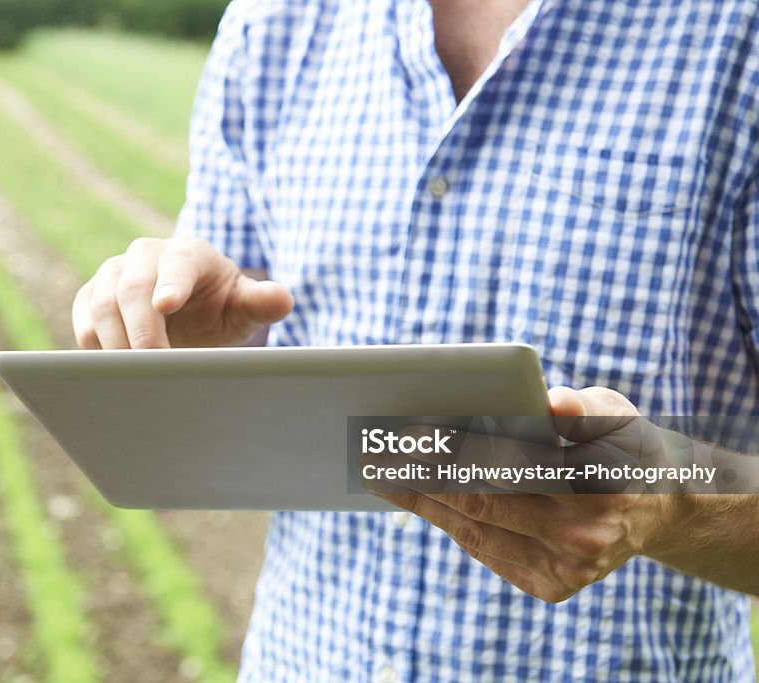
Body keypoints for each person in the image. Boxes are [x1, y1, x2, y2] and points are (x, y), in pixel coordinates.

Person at [71, 0, 759, 679]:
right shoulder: (271, 21)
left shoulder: (737, 33)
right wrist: (178, 341)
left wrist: (669, 501)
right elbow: (225, 344)